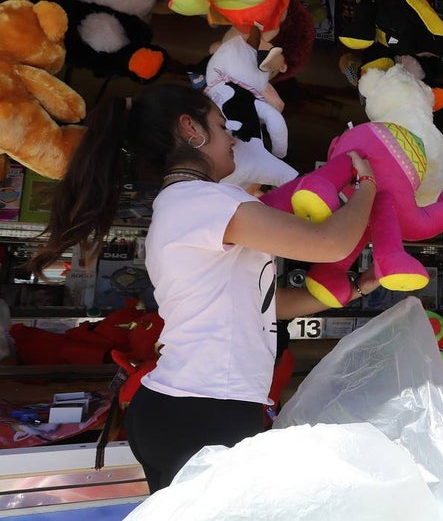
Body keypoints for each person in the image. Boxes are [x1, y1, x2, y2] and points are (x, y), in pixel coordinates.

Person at [28, 84, 382, 493]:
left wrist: (355, 287)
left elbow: (269, 307)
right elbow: (329, 243)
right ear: (190, 129)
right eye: (221, 124)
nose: (232, 137)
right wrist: (369, 183)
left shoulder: (187, 205)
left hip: (191, 410)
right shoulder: (204, 202)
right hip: (203, 412)